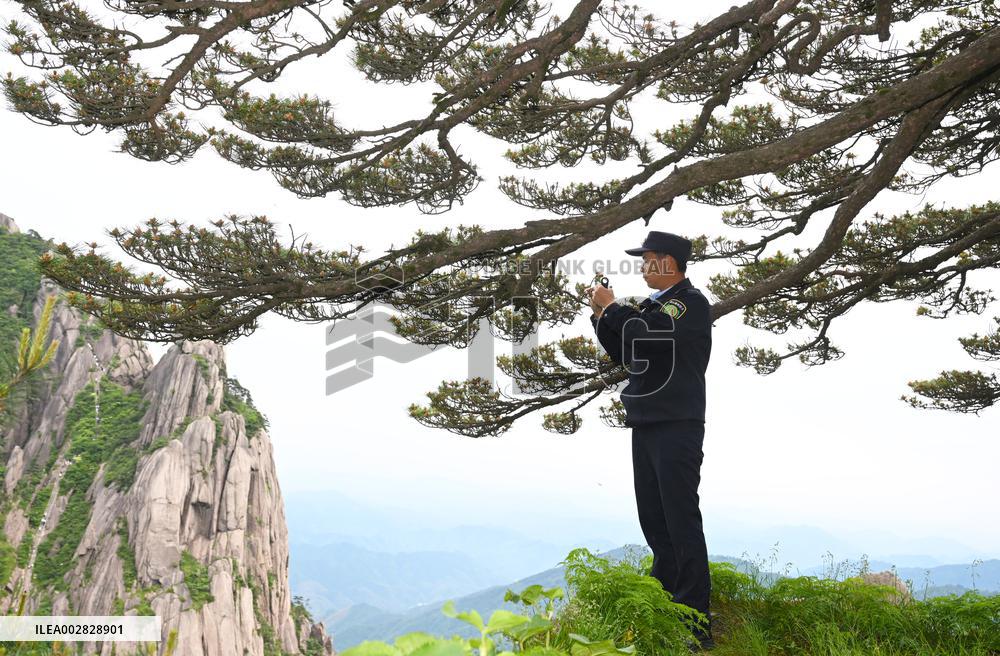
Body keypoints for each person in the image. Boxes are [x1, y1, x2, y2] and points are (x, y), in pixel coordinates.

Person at [585, 230, 715, 652]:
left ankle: (695, 624)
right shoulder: (650, 308)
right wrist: (601, 316)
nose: (642, 265)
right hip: (647, 422)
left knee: (681, 521)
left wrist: (614, 309)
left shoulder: (689, 304)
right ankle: (664, 601)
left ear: (669, 261)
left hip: (678, 422)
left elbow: (648, 336)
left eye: (648, 258)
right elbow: (627, 353)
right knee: (655, 520)